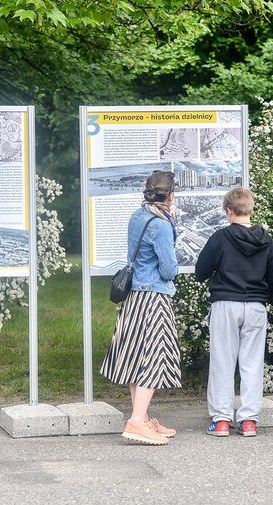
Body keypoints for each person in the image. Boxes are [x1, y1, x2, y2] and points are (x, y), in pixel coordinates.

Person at [100, 171, 180, 446]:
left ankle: (142, 417)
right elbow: (169, 270)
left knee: (136, 355)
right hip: (154, 298)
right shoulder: (162, 225)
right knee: (154, 358)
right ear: (169, 195)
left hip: (134, 296)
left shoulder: (138, 216)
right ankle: (135, 422)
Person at [195, 188, 273, 437]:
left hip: (225, 303)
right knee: (252, 363)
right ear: (251, 209)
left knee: (223, 361)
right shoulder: (266, 239)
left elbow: (201, 271)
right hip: (255, 305)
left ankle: (222, 419)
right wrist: (264, 298)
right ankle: (248, 420)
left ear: (228, 211)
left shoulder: (220, 238)